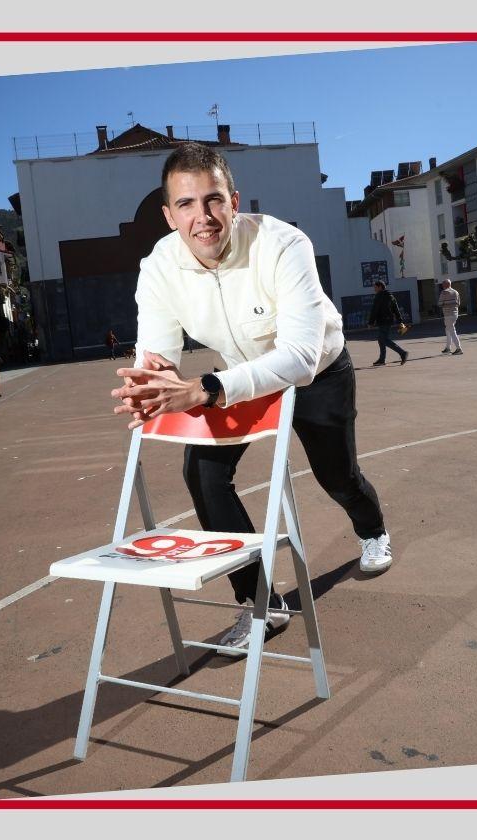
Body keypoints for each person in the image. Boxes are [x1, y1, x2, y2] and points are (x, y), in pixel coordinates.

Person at [111, 142, 395, 658]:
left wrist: (203, 390)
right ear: (168, 214)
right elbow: (158, 354)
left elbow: (300, 358)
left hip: (317, 373)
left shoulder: (283, 243)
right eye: (186, 204)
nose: (203, 217)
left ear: (234, 200)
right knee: (202, 473)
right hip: (237, 378)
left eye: (213, 200)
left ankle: (372, 530)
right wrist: (150, 386)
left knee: (337, 477)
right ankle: (260, 603)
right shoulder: (157, 267)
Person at [367, 280, 408, 366]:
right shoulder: (391, 296)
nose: (374, 289)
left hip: (382, 321)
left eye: (375, 287)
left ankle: (402, 353)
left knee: (383, 339)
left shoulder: (379, 296)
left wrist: (371, 323)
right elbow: (396, 309)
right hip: (389, 321)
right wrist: (400, 321)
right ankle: (382, 360)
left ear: (380, 287)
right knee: (381, 339)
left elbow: (374, 310)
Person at [437, 279, 464, 356]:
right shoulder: (456, 292)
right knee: (448, 330)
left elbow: (439, 303)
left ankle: (458, 348)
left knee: (451, 330)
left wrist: (445, 304)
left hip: (448, 314)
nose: (442, 286)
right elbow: (458, 303)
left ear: (446, 285)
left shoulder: (444, 292)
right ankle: (448, 348)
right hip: (455, 314)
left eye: (443, 284)